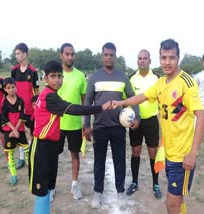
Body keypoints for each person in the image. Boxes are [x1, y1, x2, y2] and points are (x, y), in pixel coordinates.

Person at [112, 39, 204, 214]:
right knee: (178, 199)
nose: (167, 62)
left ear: (178, 58)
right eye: (164, 57)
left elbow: (201, 117)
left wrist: (193, 153)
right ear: (159, 59)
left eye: (172, 57)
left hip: (183, 155)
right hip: (170, 152)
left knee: (171, 204)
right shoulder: (161, 82)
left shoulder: (187, 82)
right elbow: (142, 97)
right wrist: (122, 102)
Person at [28, 60, 112, 214]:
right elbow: (73, 109)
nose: (57, 79)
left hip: (50, 147)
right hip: (41, 148)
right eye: (53, 76)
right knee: (41, 191)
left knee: (47, 188)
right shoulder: (50, 97)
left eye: (60, 76)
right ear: (45, 78)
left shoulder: (50, 94)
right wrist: (100, 107)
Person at [84, 42, 140, 209]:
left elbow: (132, 97)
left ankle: (120, 192)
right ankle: (98, 192)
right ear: (102, 56)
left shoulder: (122, 77)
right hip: (99, 127)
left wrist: (137, 116)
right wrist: (87, 124)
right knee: (99, 161)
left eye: (111, 55)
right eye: (106, 54)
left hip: (118, 127)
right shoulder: (94, 77)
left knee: (119, 161)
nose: (108, 57)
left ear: (115, 56)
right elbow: (88, 101)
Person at [126, 49, 162, 199]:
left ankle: (156, 183)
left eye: (145, 58)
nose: (142, 60)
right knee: (136, 151)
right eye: (139, 58)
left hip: (152, 121)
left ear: (149, 61)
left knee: (153, 152)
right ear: (137, 61)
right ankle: (134, 182)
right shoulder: (131, 78)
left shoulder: (158, 78)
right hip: (135, 120)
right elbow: (126, 100)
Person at [56, 43, 87, 202]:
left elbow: (84, 102)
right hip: (57, 124)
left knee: (75, 154)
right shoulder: (55, 74)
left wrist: (85, 123)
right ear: (61, 55)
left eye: (72, 54)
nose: (70, 57)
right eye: (67, 54)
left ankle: (75, 185)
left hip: (74, 124)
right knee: (53, 156)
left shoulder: (80, 76)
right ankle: (51, 187)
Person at [11, 43, 39, 169]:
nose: (16, 56)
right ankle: (21, 158)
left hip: (29, 109)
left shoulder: (33, 71)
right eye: (15, 54)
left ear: (25, 54)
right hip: (17, 109)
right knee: (19, 133)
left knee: (30, 134)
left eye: (18, 53)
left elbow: (36, 92)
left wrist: (36, 108)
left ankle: (32, 156)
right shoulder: (14, 70)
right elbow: (11, 90)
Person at [1, 77, 29, 185]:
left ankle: (30, 171)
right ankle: (13, 175)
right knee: (10, 153)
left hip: (19, 129)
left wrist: (16, 130)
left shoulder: (21, 100)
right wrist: (12, 130)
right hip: (9, 130)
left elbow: (22, 115)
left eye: (13, 87)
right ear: (5, 89)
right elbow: (4, 117)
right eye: (9, 88)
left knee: (26, 150)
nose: (11, 89)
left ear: (16, 87)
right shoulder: (4, 102)